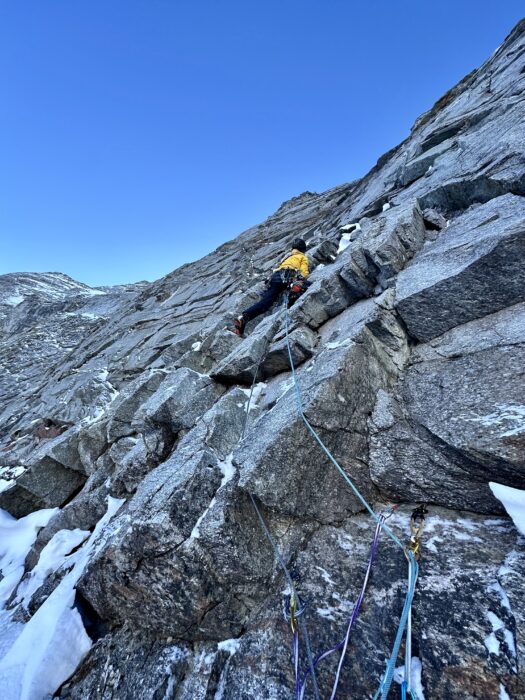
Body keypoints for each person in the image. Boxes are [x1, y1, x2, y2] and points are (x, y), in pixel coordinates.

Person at [234, 238, 309, 336]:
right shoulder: (302, 257)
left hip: (275, 277)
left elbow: (280, 267)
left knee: (266, 302)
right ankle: (293, 297)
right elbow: (304, 272)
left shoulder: (287, 256)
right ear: (303, 249)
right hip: (288, 276)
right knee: (308, 285)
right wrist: (300, 280)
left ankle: (244, 317)